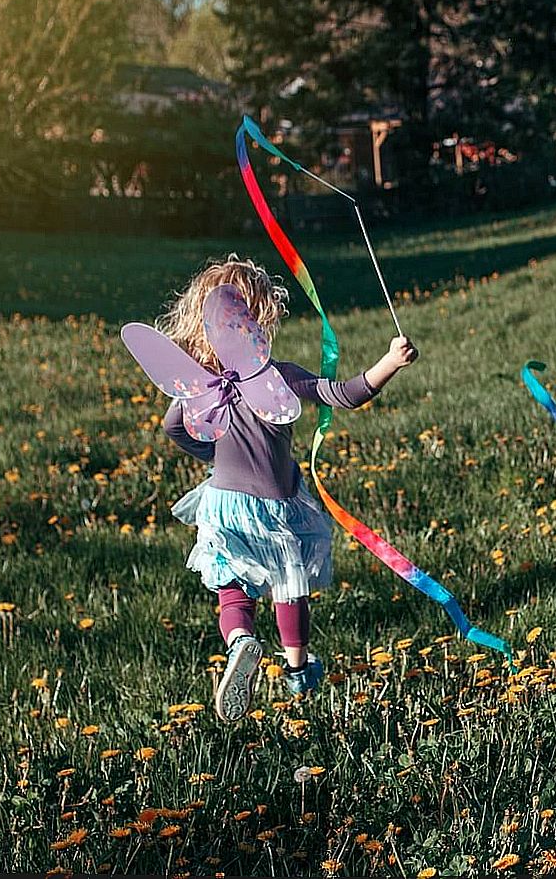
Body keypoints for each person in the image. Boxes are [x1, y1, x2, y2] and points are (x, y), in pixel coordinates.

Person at [153, 255, 418, 720]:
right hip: (277, 504)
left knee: (233, 589)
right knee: (288, 583)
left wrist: (212, 456)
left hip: (223, 502)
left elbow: (174, 428)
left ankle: (241, 642)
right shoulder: (278, 376)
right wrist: (390, 362)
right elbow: (343, 394)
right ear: (256, 322)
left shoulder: (197, 387)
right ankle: (297, 671)